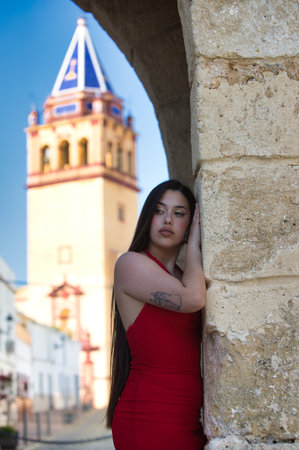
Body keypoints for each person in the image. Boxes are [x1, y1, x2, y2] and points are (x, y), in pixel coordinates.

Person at [106, 179, 206, 449]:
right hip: (149, 417)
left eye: (179, 213)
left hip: (187, 420)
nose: (168, 220)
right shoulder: (130, 264)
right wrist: (194, 246)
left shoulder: (184, 279)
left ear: (189, 222)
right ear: (147, 217)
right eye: (159, 211)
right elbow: (194, 299)